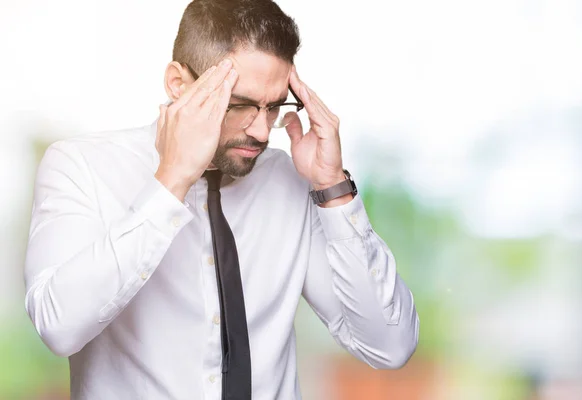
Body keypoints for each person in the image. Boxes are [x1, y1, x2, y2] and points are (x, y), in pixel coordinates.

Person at [24, 0, 419, 399]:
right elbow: (59, 327)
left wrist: (333, 187)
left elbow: (390, 346)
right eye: (241, 104)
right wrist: (170, 182)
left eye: (275, 106)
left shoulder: (290, 180)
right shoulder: (82, 167)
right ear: (179, 84)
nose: (263, 132)